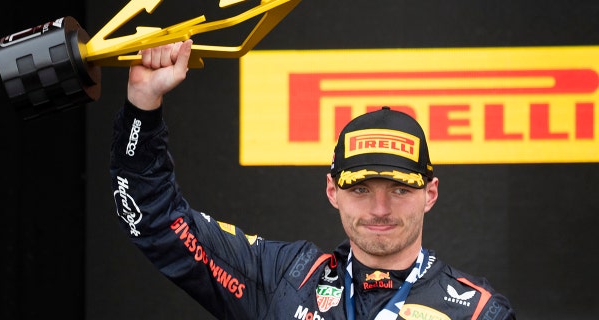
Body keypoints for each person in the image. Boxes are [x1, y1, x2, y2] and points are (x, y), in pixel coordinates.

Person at [110, 40, 516, 320]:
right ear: (331, 191)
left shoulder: (478, 311)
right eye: (359, 189)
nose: (379, 209)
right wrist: (143, 104)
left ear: (430, 193)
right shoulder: (286, 279)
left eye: (399, 189)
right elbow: (156, 222)